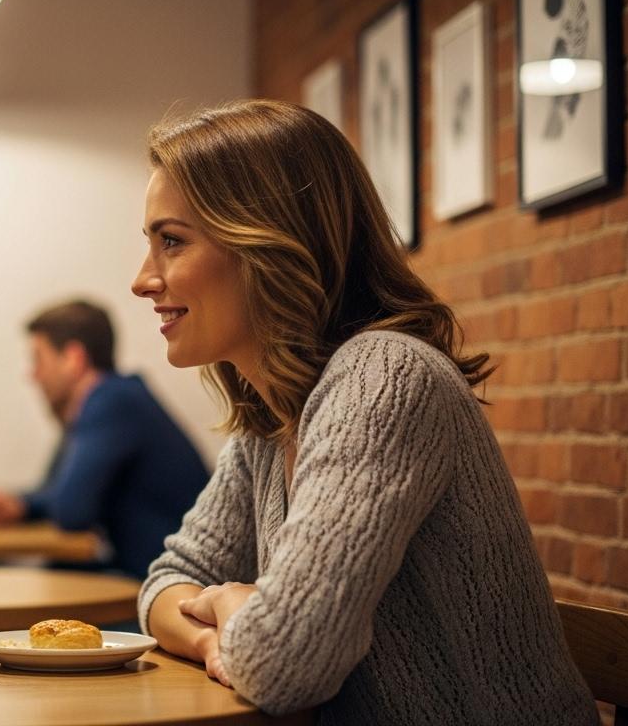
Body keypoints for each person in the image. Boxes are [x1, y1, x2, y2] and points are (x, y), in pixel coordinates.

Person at [133, 99, 596, 722]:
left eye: (171, 242)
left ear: (268, 242)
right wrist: (221, 628)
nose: (142, 279)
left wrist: (238, 610)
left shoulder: (386, 379)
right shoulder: (273, 416)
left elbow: (284, 662)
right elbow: (168, 579)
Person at [0, 300, 209, 579]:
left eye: (39, 359)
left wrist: (34, 504)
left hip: (166, 589)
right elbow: (58, 491)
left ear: (73, 358)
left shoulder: (112, 402)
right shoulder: (110, 401)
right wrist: (23, 505)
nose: (33, 375)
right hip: (157, 580)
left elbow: (71, 511)